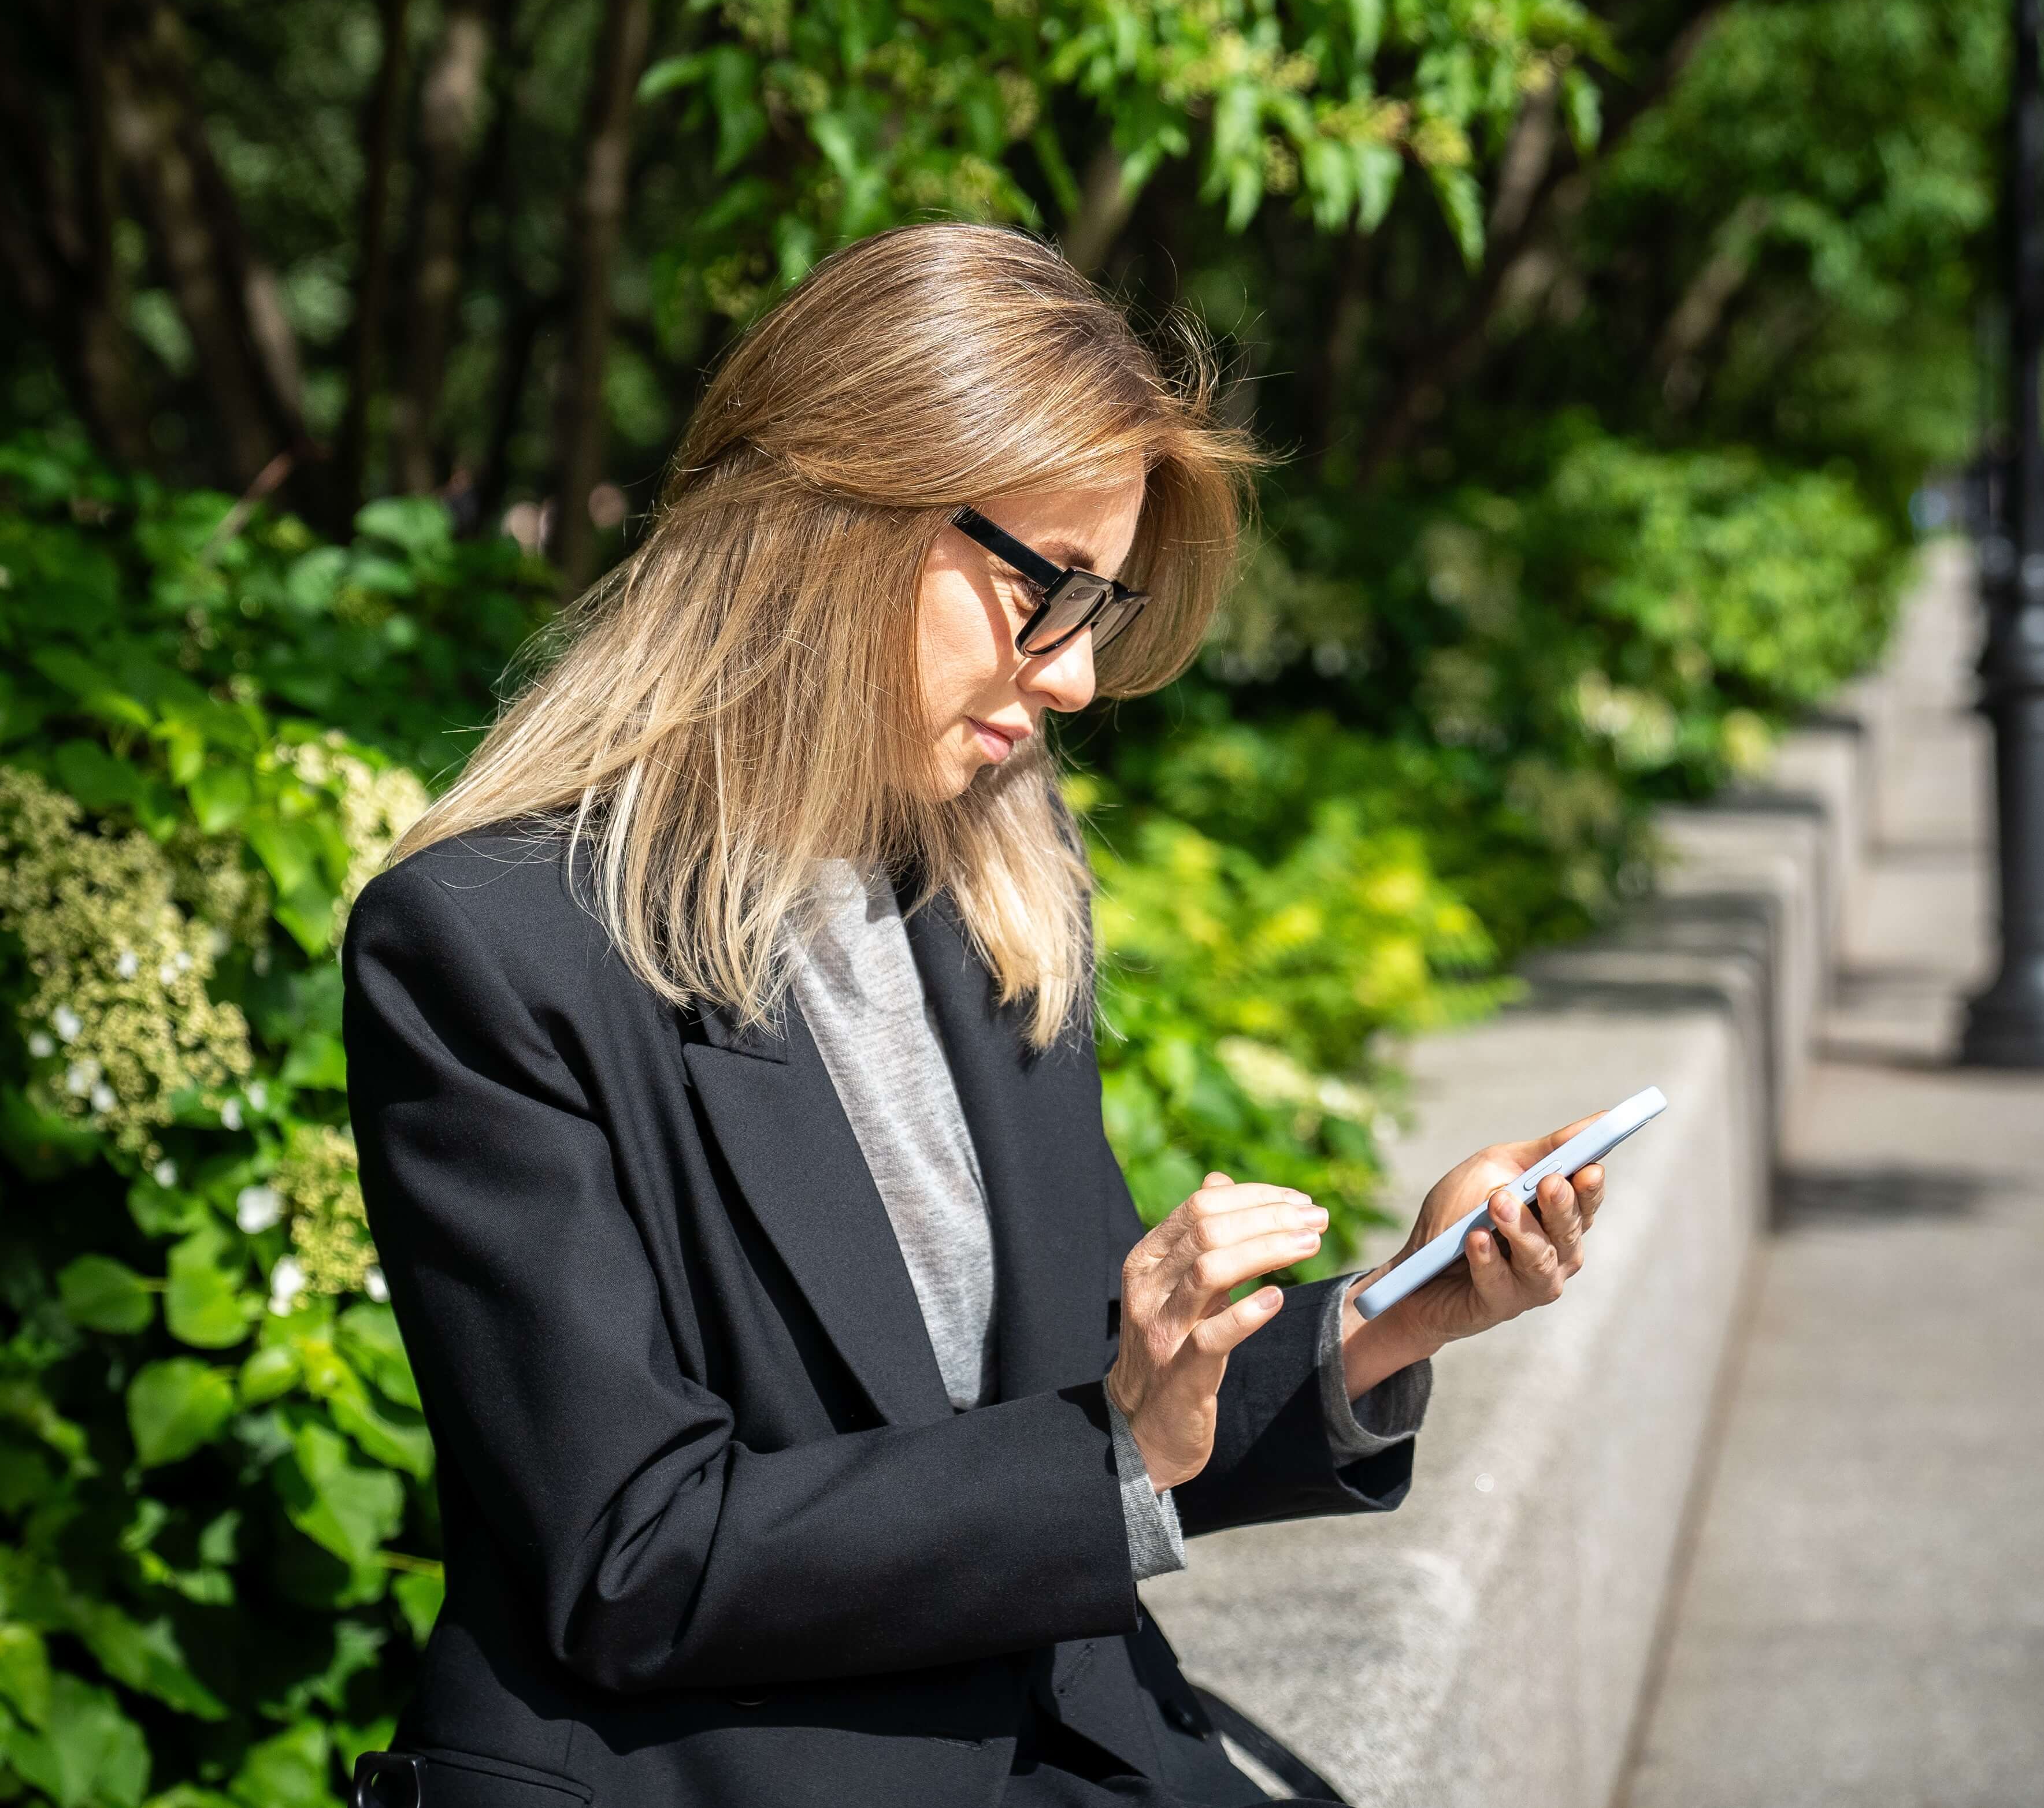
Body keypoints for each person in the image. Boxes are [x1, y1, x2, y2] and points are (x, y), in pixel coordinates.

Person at [341, 223, 1614, 1808]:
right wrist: (1111, 1452)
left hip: (1080, 1748)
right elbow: (631, 1552)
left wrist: (1392, 1316)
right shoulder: (488, 947)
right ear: (834, 515)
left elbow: (1086, 1375)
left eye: (1102, 604)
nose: (1073, 677)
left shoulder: (982, 889)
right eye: (1046, 590)